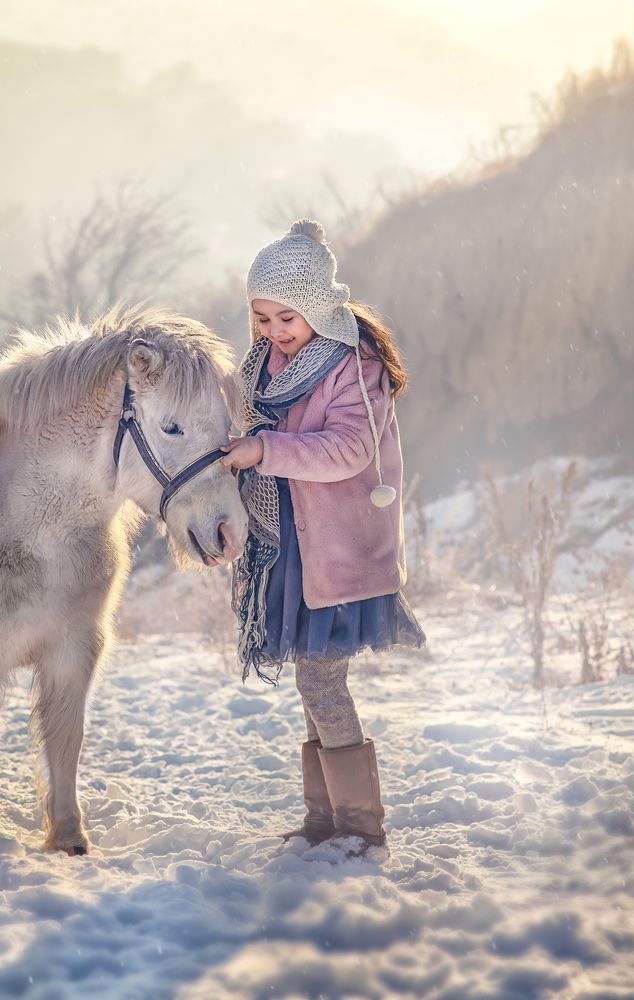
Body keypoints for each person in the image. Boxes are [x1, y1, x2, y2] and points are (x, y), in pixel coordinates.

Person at [220, 218, 426, 855]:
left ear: (317, 308)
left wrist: (264, 450)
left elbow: (346, 450)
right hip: (290, 548)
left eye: (287, 318)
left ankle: (359, 826)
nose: (274, 333)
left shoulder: (351, 364)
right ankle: (326, 818)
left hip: (336, 548)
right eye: (262, 319)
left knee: (321, 681)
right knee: (315, 680)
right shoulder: (266, 364)